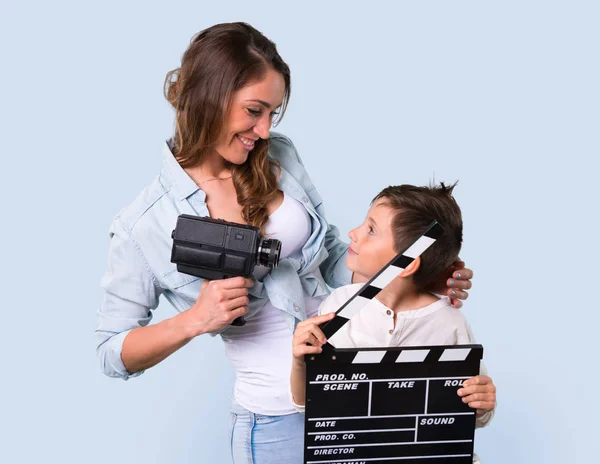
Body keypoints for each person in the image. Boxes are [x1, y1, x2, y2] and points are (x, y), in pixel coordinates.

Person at [96, 22, 476, 464]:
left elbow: (335, 256)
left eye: (272, 114)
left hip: (352, 396)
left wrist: (415, 274)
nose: (262, 130)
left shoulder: (280, 155)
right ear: (209, 96)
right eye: (254, 110)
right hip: (275, 419)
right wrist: (195, 319)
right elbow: (111, 353)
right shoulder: (144, 223)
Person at [290, 183, 496, 463]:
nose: (354, 233)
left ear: (408, 262)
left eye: (371, 230)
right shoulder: (339, 305)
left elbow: (473, 413)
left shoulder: (450, 322)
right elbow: (307, 403)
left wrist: (482, 400)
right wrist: (301, 363)